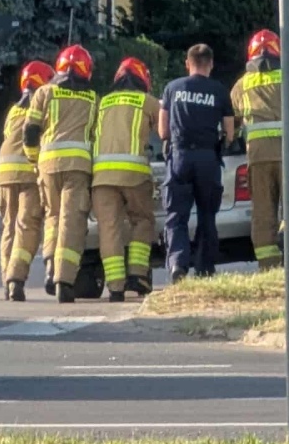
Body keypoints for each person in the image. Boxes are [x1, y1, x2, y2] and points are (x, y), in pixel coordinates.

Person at [24, 44, 97, 303]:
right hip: (77, 167)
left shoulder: (43, 92)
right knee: (72, 221)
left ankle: (49, 268)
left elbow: (30, 131)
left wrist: (34, 159)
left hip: (48, 166)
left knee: (53, 217)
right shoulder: (92, 99)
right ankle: (64, 281)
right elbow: (96, 136)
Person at [158, 44, 235, 282]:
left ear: (187, 63)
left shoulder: (172, 88)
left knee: (176, 215)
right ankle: (205, 268)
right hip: (208, 159)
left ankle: (177, 264)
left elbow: (163, 131)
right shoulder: (219, 90)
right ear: (210, 64)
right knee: (207, 214)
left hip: (179, 158)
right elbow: (230, 132)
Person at [91, 58, 161, 302]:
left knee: (109, 229)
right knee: (142, 220)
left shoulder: (102, 103)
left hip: (101, 177)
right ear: (143, 79)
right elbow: (167, 132)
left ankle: (115, 288)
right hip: (134, 176)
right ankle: (138, 275)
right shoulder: (148, 101)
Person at [0, 60, 54, 302]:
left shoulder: (13, 111)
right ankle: (15, 279)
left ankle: (7, 281)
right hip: (29, 173)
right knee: (27, 226)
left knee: (9, 227)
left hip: (4, 173)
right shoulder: (42, 109)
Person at [230, 30, 284, 271]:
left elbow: (233, 123)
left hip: (258, 157)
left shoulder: (240, 86)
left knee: (263, 214)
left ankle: (268, 265)